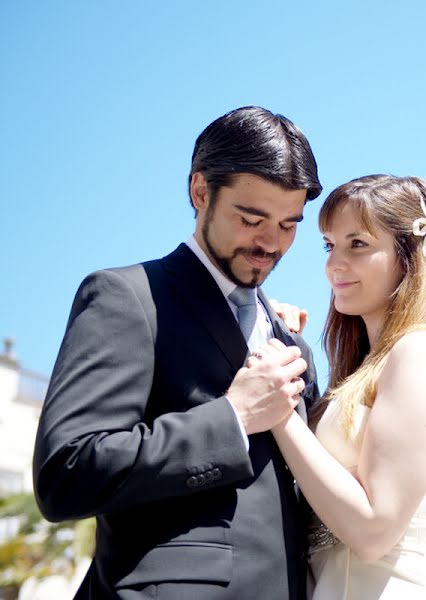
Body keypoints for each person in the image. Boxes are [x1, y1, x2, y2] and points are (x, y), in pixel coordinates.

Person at [32, 106, 323, 598]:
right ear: (201, 192)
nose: (271, 242)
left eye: (289, 224)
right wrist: (231, 417)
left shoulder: (291, 342)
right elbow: (67, 471)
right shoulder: (127, 298)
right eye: (252, 219)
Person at [246, 174, 426, 599]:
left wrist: (280, 409)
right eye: (329, 245)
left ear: (409, 256)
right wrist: (276, 338)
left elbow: (375, 530)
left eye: (357, 244)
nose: (333, 264)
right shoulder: (364, 372)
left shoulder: (420, 354)